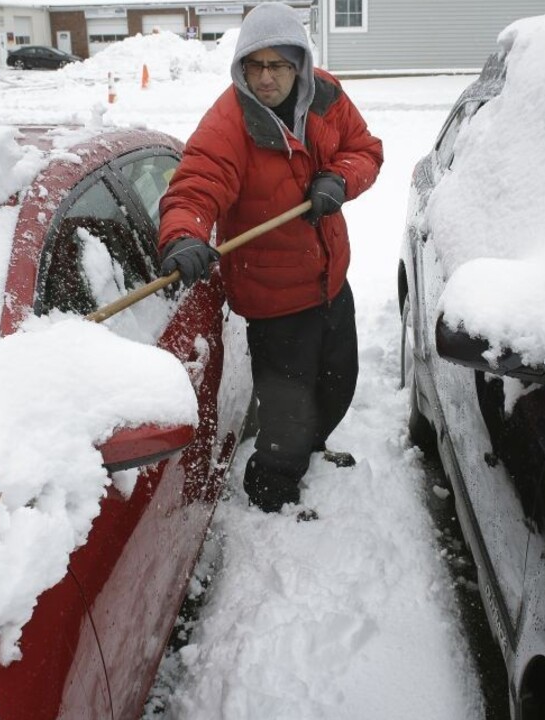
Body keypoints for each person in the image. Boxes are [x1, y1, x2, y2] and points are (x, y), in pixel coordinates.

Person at [156, 2, 383, 515]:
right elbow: (195, 186)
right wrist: (184, 235)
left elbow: (365, 149)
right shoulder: (228, 123)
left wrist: (340, 178)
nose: (264, 78)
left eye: (277, 65)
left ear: (298, 64)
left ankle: (310, 450)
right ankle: (272, 497)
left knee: (337, 383)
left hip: (329, 279)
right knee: (286, 413)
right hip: (274, 298)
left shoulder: (326, 97)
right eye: (254, 66)